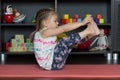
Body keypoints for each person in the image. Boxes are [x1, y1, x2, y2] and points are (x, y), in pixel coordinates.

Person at [30, 8, 100, 70]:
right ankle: (88, 31)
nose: (57, 23)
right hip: (51, 64)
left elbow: (64, 29)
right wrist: (82, 23)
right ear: (45, 23)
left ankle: (91, 34)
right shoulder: (43, 32)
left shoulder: (45, 32)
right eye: (55, 21)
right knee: (63, 41)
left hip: (56, 63)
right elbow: (63, 29)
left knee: (69, 42)